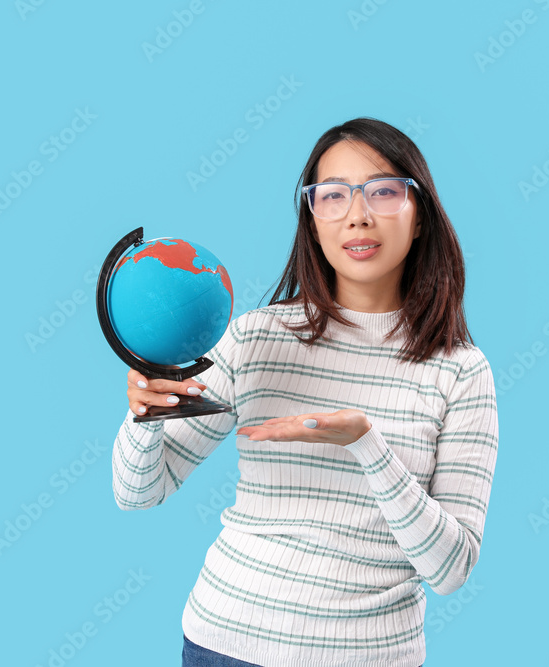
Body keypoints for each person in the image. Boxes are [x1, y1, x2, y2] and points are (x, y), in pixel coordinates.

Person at [112, 117, 499, 667]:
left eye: (383, 192)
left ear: (420, 218)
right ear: (313, 221)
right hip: (226, 645)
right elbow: (139, 491)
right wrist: (144, 419)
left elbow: (450, 569)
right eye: (333, 196)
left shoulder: (461, 372)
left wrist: (367, 444)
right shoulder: (256, 338)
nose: (358, 214)